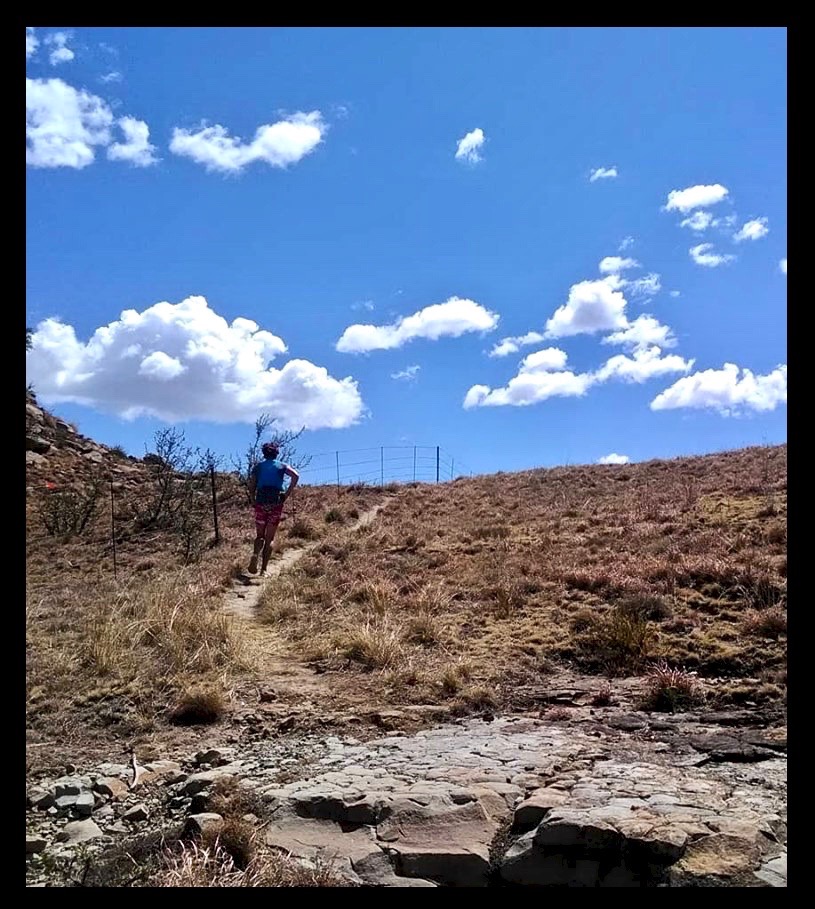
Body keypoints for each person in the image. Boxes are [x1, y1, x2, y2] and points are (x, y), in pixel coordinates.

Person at [247, 441, 299, 576]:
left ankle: (255, 554)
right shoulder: (282, 466)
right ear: (276, 453)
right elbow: (295, 475)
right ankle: (263, 570)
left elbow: (252, 485)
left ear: (264, 453)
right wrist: (286, 494)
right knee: (269, 538)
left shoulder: (258, 467)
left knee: (260, 535)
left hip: (260, 501)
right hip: (276, 502)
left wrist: (253, 499)